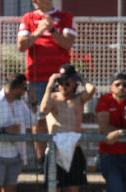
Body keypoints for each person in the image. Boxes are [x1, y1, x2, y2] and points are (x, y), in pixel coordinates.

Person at [40, 65, 95, 192]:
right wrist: (49, 85)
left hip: (74, 149)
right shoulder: (54, 99)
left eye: (68, 82)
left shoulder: (78, 100)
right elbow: (43, 109)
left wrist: (80, 77)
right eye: (61, 82)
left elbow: (91, 90)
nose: (64, 85)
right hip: (55, 148)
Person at [17, 0, 76, 164]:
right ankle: (41, 159)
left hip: (61, 79)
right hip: (36, 78)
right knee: (39, 118)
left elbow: (68, 43)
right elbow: (21, 46)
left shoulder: (64, 16)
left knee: (62, 117)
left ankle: (61, 158)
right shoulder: (28, 18)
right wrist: (38, 30)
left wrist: (51, 29)